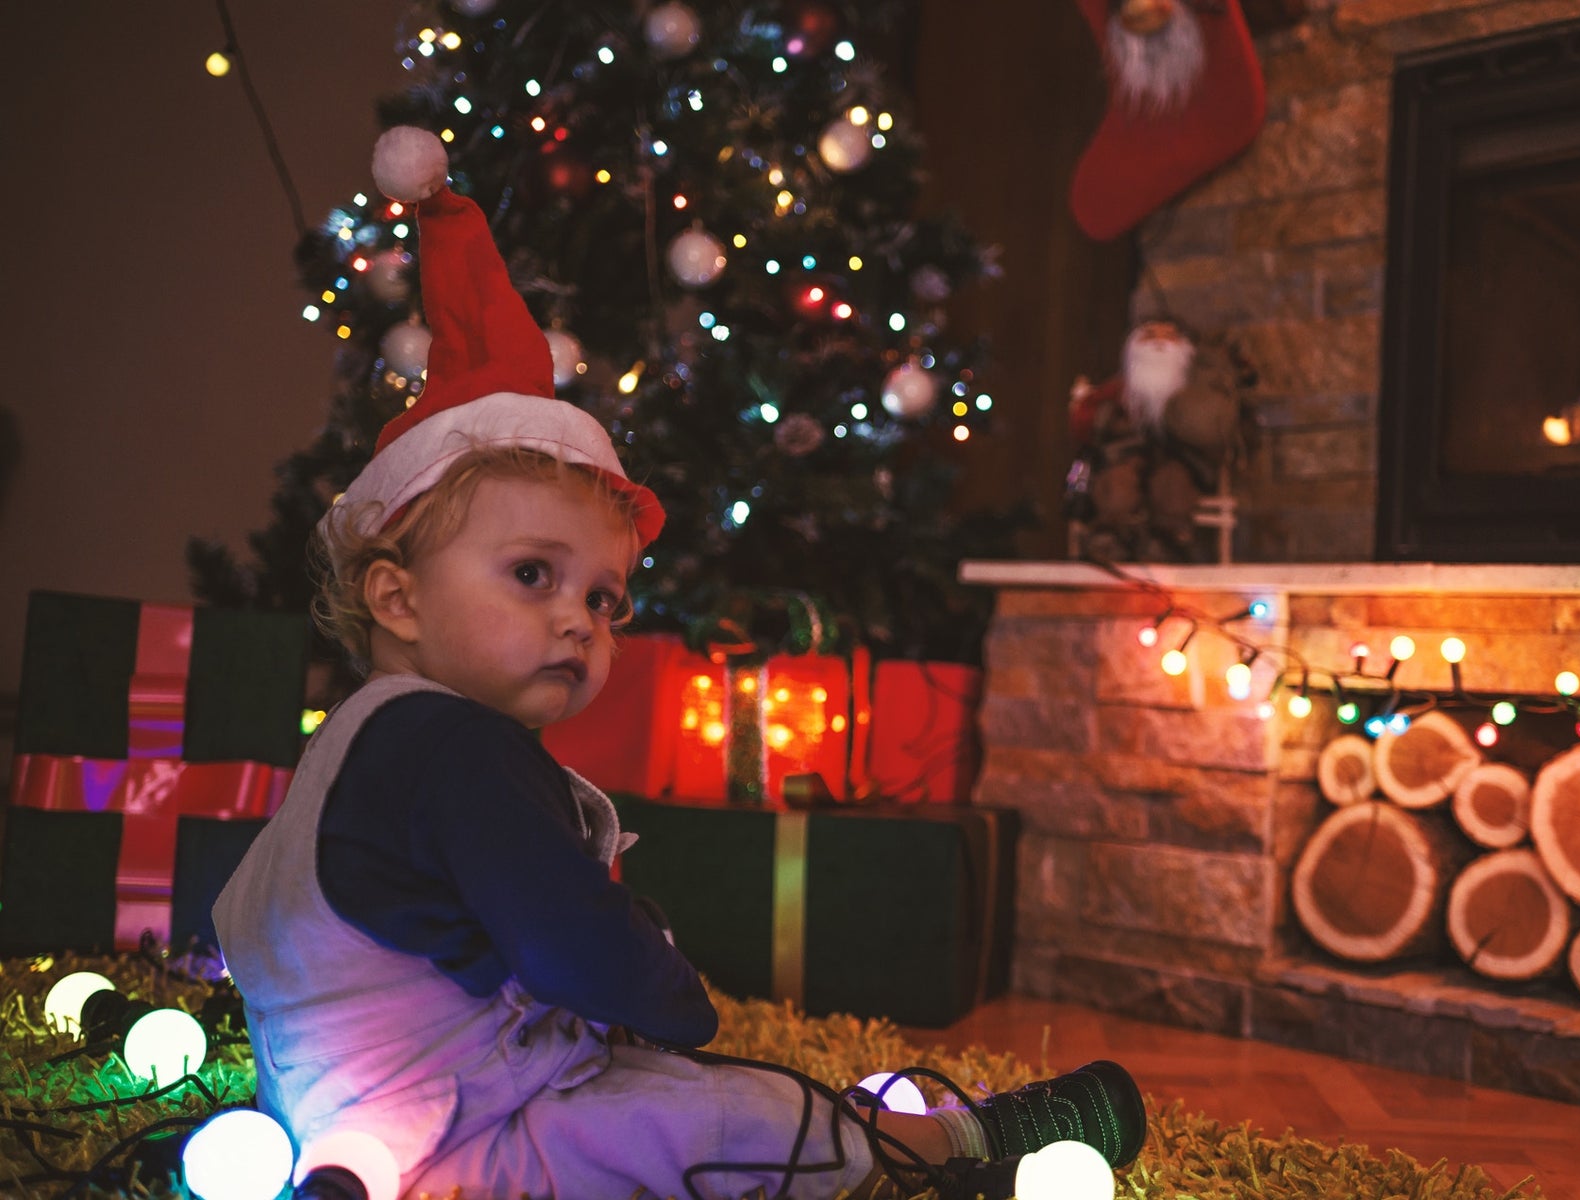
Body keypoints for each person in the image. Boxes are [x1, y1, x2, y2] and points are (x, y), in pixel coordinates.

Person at [211, 126, 1147, 1200]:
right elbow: (576, 946)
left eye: (603, 599)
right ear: (397, 598)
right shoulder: (452, 746)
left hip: (352, 1122)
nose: (579, 622)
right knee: (743, 1114)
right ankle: (939, 1151)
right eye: (532, 576)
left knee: (643, 1085)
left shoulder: (357, 739)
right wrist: (678, 997)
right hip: (459, 1141)